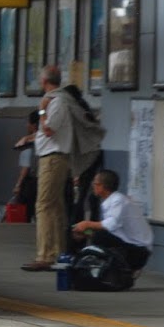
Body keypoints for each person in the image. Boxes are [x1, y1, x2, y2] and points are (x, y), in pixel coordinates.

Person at [23, 65, 75, 271]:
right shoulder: (58, 100)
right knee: (54, 207)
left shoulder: (56, 101)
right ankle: (57, 252)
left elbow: (49, 129)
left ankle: (45, 255)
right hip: (53, 157)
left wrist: (42, 109)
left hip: (53, 158)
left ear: (44, 81)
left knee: (43, 205)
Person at [70, 169, 153, 277]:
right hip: (130, 244)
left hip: (139, 250)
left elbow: (111, 224)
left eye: (95, 183)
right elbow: (114, 231)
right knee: (99, 235)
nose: (93, 186)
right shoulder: (111, 201)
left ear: (102, 186)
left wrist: (87, 224)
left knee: (100, 237)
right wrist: (87, 233)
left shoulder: (118, 201)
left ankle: (122, 269)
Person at [63, 86, 106, 229]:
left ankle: (75, 230)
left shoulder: (74, 111)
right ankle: (84, 230)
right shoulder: (84, 109)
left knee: (76, 199)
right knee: (86, 196)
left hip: (83, 159)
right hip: (93, 156)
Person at [8, 109, 40, 222]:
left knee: (26, 210)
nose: (26, 125)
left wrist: (18, 184)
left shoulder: (29, 143)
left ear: (34, 125)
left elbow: (25, 167)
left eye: (28, 122)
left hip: (31, 182)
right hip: (42, 179)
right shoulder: (45, 140)